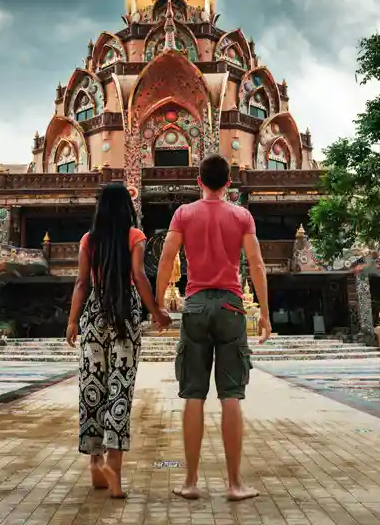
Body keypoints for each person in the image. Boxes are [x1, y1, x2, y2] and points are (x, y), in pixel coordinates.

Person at [156, 154, 271, 502]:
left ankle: (191, 482)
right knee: (231, 396)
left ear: (199, 181)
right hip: (231, 306)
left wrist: (158, 304)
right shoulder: (242, 215)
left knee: (193, 394)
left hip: (194, 303)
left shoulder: (183, 214)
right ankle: (235, 484)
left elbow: (166, 257)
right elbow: (256, 263)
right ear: (229, 183)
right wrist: (265, 314)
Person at [66, 183, 171, 498]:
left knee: (92, 388)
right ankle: (114, 466)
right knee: (119, 388)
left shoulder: (89, 240)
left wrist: (72, 321)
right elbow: (139, 277)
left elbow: (82, 282)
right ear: (128, 207)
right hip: (125, 313)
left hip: (95, 315)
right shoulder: (135, 237)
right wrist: (156, 312)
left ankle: (96, 464)